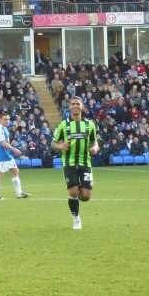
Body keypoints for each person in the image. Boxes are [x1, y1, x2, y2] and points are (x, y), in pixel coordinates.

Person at [52, 96, 99, 230]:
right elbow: (53, 143)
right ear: (69, 107)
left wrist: (95, 148)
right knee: (73, 193)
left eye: (78, 103)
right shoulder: (63, 125)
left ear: (82, 107)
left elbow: (94, 141)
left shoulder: (89, 125)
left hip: (85, 162)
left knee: (85, 197)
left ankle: (83, 186)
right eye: (73, 104)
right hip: (69, 163)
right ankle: (76, 219)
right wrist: (60, 147)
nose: (75, 106)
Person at [0, 113, 29, 200]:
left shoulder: (4, 128)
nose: (7, 121)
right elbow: (2, 143)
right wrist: (14, 149)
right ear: (0, 119)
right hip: (2, 155)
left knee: (15, 171)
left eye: (8, 119)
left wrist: (12, 144)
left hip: (7, 154)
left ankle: (19, 193)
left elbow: (6, 142)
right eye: (5, 119)